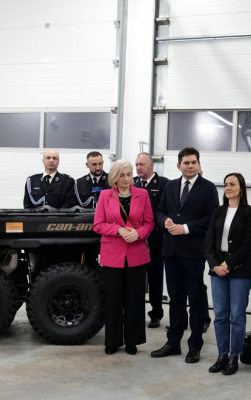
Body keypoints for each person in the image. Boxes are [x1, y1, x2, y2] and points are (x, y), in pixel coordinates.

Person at [150, 147, 219, 364]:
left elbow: (212, 218)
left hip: (194, 253)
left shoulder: (208, 188)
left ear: (199, 164)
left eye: (193, 162)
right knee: (175, 299)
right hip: (171, 251)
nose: (190, 166)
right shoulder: (170, 186)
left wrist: (186, 228)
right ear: (178, 165)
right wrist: (165, 222)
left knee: (196, 300)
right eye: (186, 163)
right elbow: (159, 211)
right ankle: (173, 343)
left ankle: (194, 345)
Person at [93, 160, 154, 355]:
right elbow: (98, 225)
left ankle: (132, 341)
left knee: (134, 300)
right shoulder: (105, 195)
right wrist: (118, 229)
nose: (127, 179)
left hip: (137, 254)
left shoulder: (142, 194)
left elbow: (150, 223)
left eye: (129, 174)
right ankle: (112, 341)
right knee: (113, 300)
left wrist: (138, 233)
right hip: (112, 255)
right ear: (114, 177)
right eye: (122, 175)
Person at [206, 173, 251, 375]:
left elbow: (248, 245)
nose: (228, 187)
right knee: (220, 315)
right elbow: (209, 242)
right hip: (217, 270)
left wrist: (227, 264)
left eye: (232, 184)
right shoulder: (218, 211)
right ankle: (222, 354)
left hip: (240, 271)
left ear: (241, 188)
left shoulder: (250, 213)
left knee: (236, 315)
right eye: (226, 184)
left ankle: (234, 356)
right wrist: (215, 265)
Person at [134, 152, 169, 328]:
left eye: (142, 164)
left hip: (155, 240)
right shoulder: (133, 183)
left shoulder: (163, 184)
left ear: (151, 166)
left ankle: (156, 314)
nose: (138, 168)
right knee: (137, 280)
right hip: (136, 240)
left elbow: (165, 210)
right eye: (137, 165)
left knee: (155, 279)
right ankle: (136, 313)